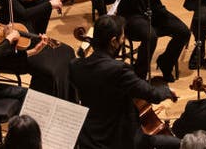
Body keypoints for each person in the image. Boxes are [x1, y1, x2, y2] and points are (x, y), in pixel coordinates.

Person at [70, 14, 179, 149]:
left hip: (90, 138)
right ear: (114, 41)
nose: (123, 40)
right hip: (119, 139)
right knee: (178, 143)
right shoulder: (118, 70)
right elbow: (152, 94)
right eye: (122, 37)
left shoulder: (75, 66)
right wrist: (167, 91)